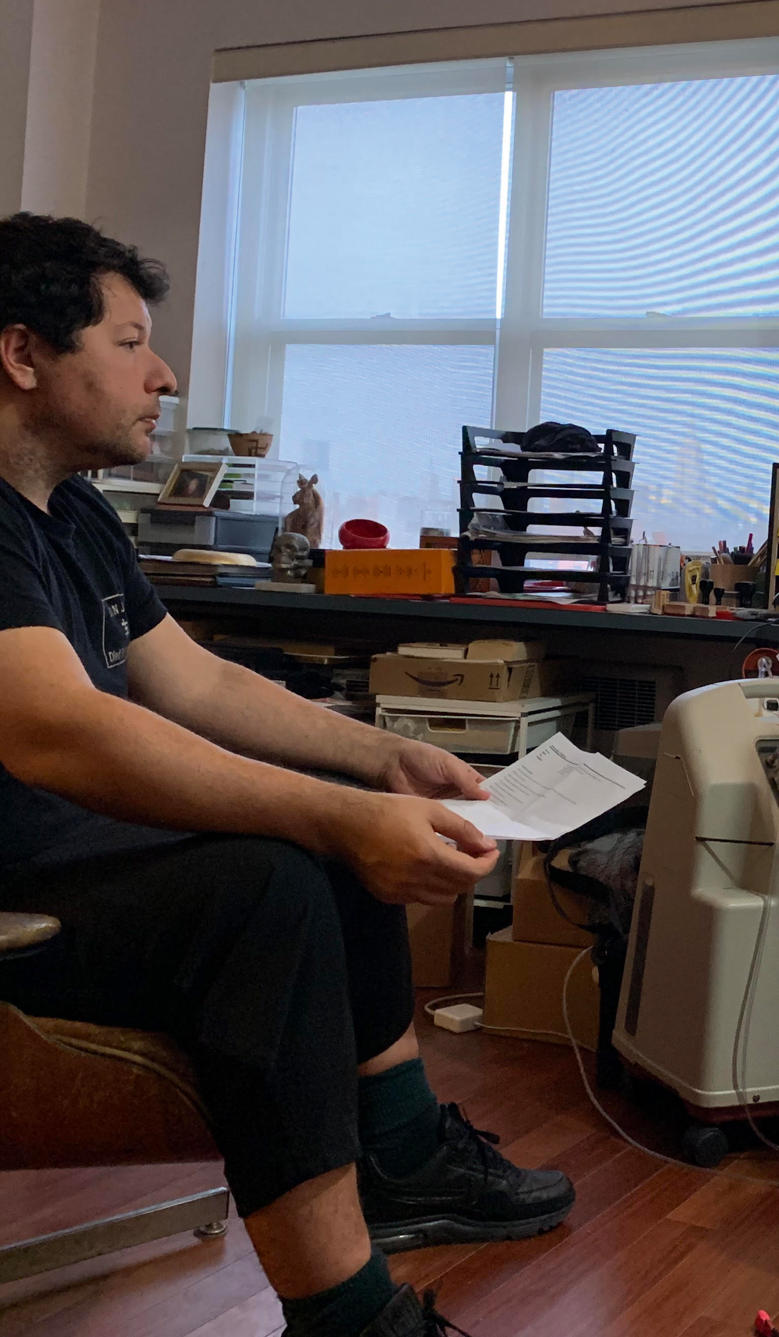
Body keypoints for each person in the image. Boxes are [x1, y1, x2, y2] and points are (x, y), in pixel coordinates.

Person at [0, 215, 574, 1337]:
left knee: (328, 840)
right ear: (24, 355)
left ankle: (401, 1158)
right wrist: (339, 813)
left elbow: (198, 685)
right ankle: (353, 1320)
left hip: (70, 867)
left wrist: (382, 762)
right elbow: (54, 731)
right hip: (14, 903)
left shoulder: (69, 514)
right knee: (269, 887)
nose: (163, 375)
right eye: (128, 343)